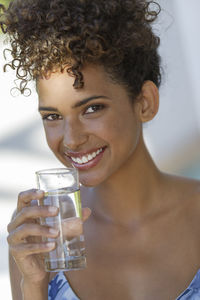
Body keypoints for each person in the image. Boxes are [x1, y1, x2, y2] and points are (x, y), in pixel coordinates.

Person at [1, 0, 200, 299]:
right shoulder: (43, 244)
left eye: (92, 108)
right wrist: (34, 285)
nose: (72, 139)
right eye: (53, 116)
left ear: (144, 102)